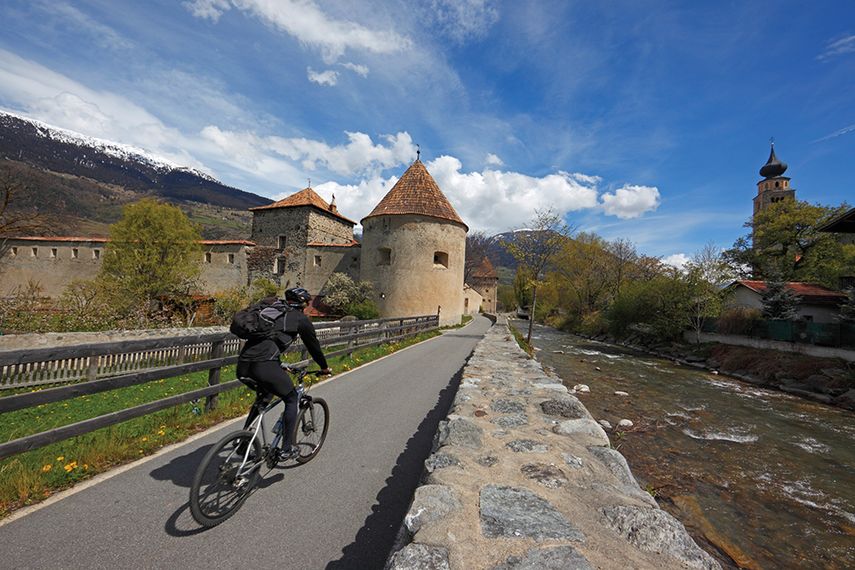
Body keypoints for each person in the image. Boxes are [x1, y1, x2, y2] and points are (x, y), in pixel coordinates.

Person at [236, 287, 331, 460]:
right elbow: (314, 347)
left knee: (264, 397)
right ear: (303, 304)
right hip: (264, 365)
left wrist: (278, 365)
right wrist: (324, 367)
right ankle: (287, 448)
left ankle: (243, 444)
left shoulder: (272, 313)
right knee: (292, 398)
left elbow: (267, 342)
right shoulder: (300, 319)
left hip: (243, 365)